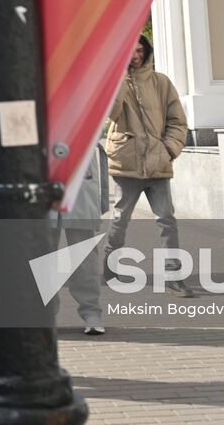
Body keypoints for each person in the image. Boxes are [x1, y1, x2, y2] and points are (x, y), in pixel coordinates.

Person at [102, 34, 191, 295]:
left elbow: (178, 121)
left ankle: (174, 275)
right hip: (126, 162)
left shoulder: (161, 82)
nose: (136, 55)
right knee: (120, 219)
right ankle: (110, 266)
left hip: (157, 162)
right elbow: (112, 114)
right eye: (130, 51)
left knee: (166, 219)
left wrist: (168, 150)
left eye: (140, 50)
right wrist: (118, 77)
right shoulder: (114, 83)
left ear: (147, 51)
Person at [55, 145, 110, 335]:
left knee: (84, 253)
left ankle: (91, 312)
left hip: (79, 168)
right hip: (41, 168)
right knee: (41, 253)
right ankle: (45, 315)